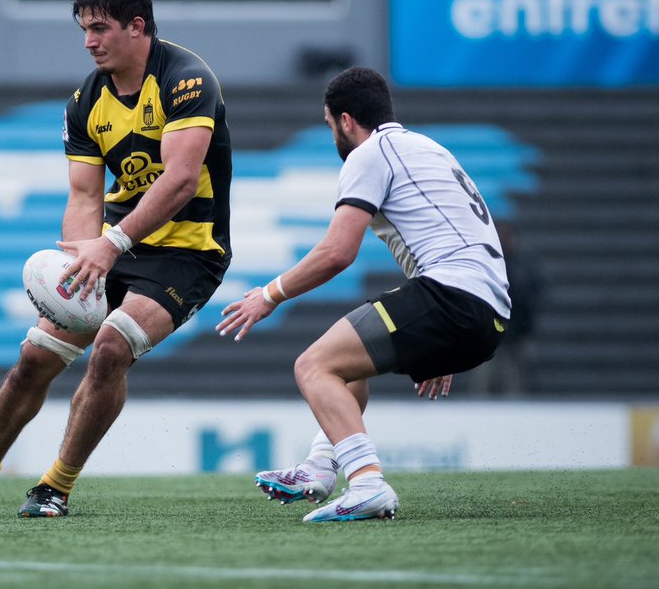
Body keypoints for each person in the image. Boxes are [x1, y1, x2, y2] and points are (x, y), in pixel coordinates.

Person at [0, 0, 232, 517]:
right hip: (118, 243)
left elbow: (178, 182)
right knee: (34, 357)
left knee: (109, 349)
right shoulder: (85, 99)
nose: (89, 41)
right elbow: (84, 196)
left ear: (137, 27)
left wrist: (114, 244)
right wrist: (81, 261)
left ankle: (54, 487)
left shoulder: (187, 79)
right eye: (83, 29)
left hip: (189, 252)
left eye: (100, 28)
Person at [216, 66, 511, 522]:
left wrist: (269, 295)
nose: (332, 133)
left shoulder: (370, 153)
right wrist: (447, 345)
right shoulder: (428, 148)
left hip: (454, 296)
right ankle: (319, 466)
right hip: (485, 307)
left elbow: (337, 252)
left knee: (313, 365)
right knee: (347, 364)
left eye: (330, 124)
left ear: (346, 121)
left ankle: (368, 482)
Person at [469, 220, 544, 395]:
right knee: (484, 378)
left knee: (516, 378)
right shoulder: (484, 262)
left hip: (517, 331)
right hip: (487, 333)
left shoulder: (524, 263)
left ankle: (517, 414)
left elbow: (537, 293)